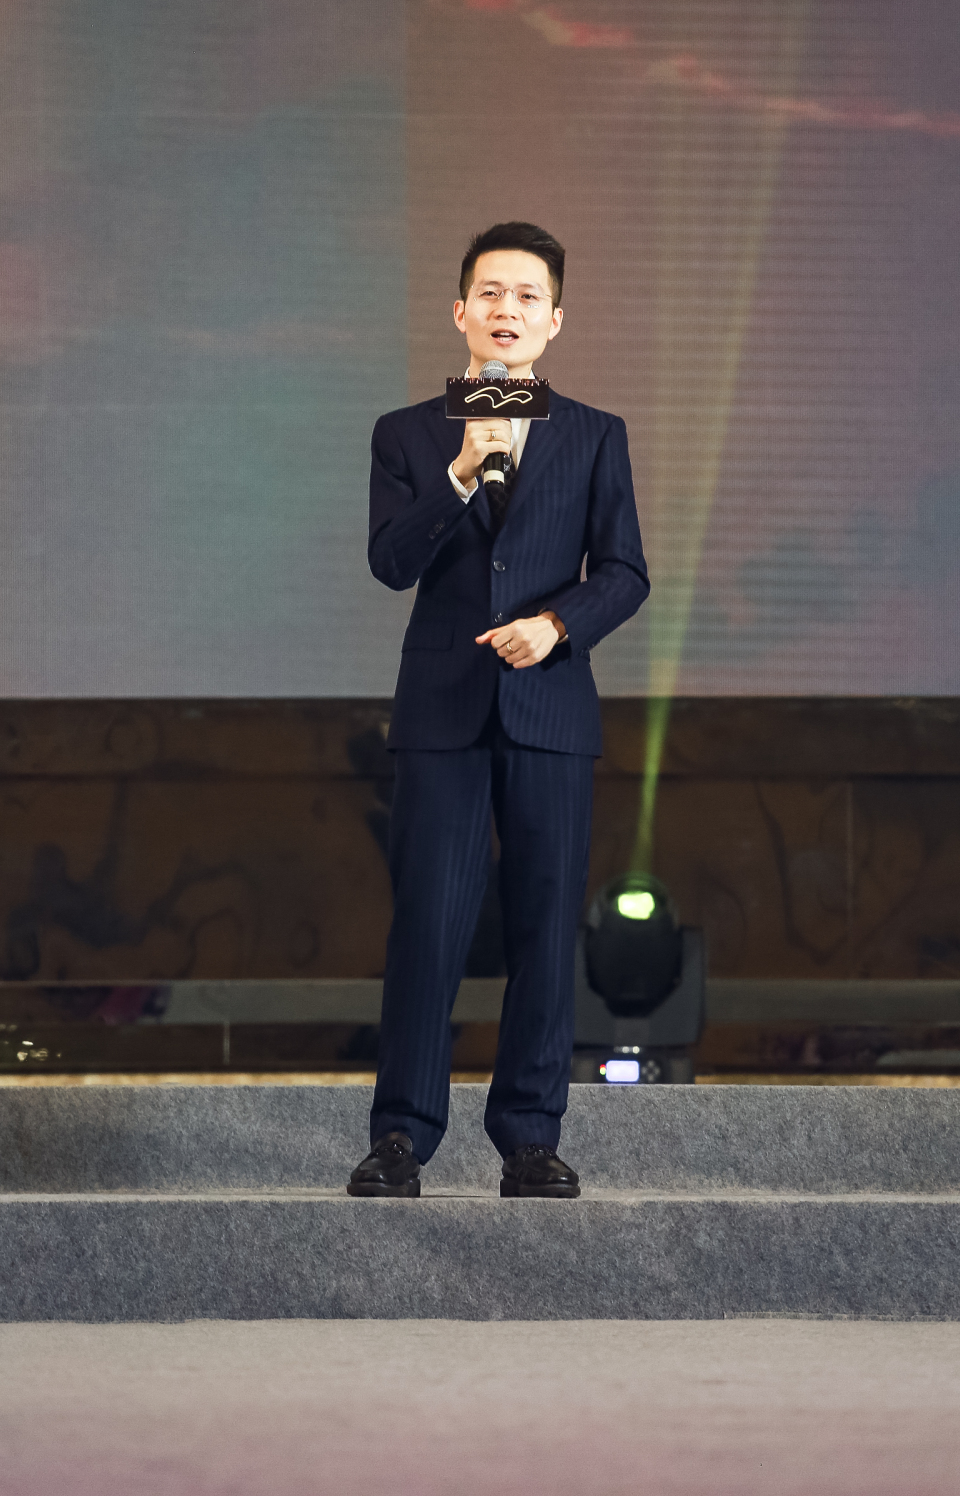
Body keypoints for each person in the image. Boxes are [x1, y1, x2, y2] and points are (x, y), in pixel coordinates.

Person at [348, 221, 650, 1199]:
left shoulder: (595, 434)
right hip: (442, 709)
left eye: (527, 297)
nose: (506, 310)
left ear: (554, 321)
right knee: (427, 927)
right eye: (490, 293)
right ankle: (402, 1137)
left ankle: (528, 1138)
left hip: (549, 708)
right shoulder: (408, 434)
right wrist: (458, 471)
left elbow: (625, 572)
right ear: (459, 312)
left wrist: (556, 626)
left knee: (545, 926)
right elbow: (391, 563)